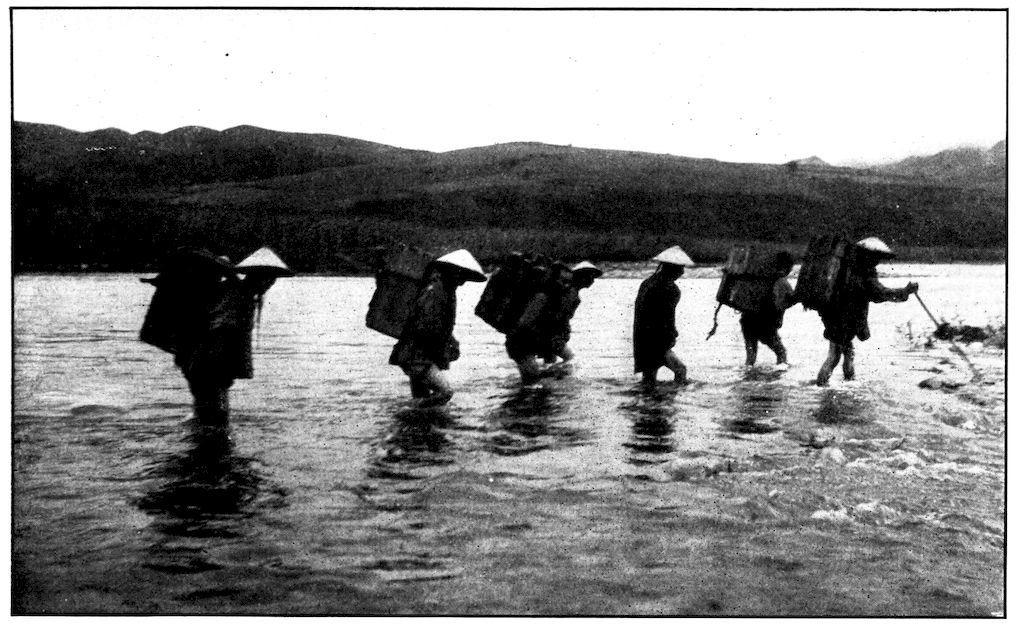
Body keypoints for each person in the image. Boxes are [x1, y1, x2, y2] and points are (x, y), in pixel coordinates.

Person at [177, 248, 292, 424]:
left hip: (205, 364)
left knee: (208, 415)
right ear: (255, 277)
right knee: (216, 416)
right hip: (208, 365)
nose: (270, 283)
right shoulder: (237, 295)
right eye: (267, 278)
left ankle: (197, 435)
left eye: (272, 279)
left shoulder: (240, 293)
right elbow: (219, 329)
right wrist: (218, 372)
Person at [815, 237, 919, 386]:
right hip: (844, 319)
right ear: (868, 256)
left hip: (835, 316)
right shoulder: (863, 273)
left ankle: (848, 383)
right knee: (835, 356)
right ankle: (821, 385)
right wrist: (905, 291)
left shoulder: (848, 267)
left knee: (847, 352)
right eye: (876, 257)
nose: (877, 261)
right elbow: (879, 293)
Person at [390, 249, 486, 405]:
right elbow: (424, 324)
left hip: (415, 354)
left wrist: (449, 340)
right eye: (461, 275)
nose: (462, 281)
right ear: (451, 272)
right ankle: (403, 410)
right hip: (417, 356)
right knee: (445, 392)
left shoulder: (444, 290)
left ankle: (413, 415)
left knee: (421, 397)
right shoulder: (436, 291)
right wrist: (444, 343)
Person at [505, 260, 602, 381]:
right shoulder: (555, 294)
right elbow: (531, 323)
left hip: (541, 338)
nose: (592, 280)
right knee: (533, 380)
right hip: (524, 340)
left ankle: (548, 378)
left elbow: (558, 321)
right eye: (590, 276)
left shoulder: (569, 295)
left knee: (560, 365)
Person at [633, 246, 693, 385]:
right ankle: (674, 396)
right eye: (680, 268)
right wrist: (671, 334)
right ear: (671, 268)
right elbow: (666, 318)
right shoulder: (670, 289)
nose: (682, 272)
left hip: (642, 340)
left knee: (649, 379)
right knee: (680, 370)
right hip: (657, 342)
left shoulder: (647, 283)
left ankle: (651, 398)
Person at [740, 251, 799, 369]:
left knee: (750, 358)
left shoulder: (761, 278)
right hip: (765, 325)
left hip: (747, 321)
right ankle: (777, 377)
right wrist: (795, 299)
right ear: (787, 267)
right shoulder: (782, 282)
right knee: (781, 353)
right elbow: (780, 304)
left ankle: (747, 377)